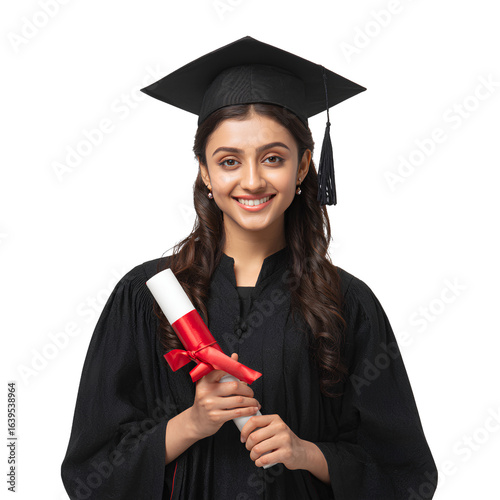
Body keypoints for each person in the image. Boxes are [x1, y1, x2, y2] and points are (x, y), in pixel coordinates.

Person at [61, 36, 438, 499]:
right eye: (229, 161)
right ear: (204, 170)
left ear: (302, 168)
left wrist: (305, 452)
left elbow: (405, 475)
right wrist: (190, 424)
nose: (253, 180)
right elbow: (89, 470)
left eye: (273, 158)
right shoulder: (146, 296)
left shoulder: (348, 304)